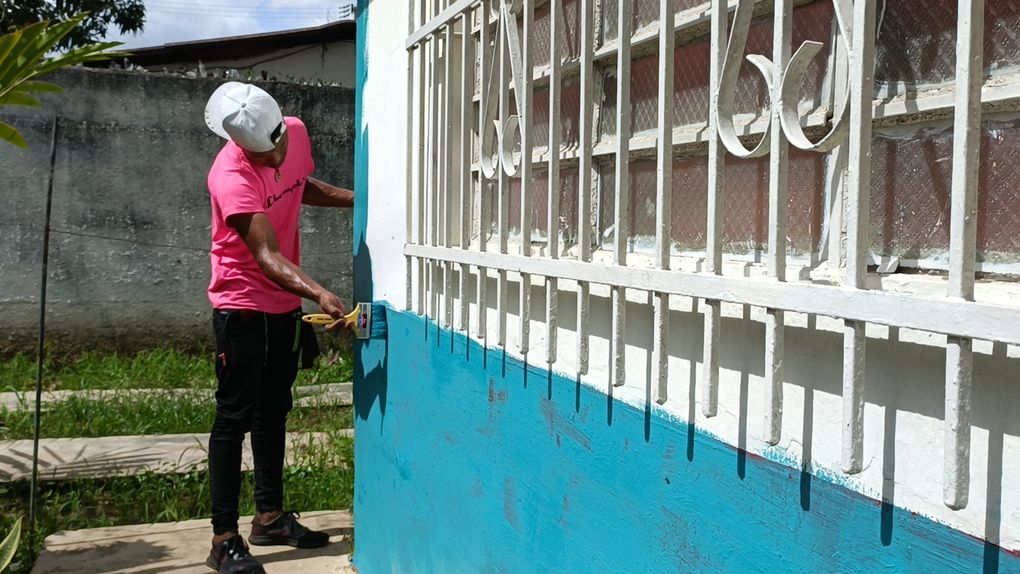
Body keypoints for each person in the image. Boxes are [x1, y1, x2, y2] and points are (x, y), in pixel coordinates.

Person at [202, 81, 353, 574]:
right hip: (241, 306)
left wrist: (361, 199)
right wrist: (319, 292)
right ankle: (223, 540)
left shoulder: (296, 133)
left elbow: (300, 184)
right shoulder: (230, 176)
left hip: (282, 307)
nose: (270, 162)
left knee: (274, 410)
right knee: (234, 418)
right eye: (257, 156)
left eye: (273, 151)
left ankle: (269, 517)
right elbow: (265, 254)